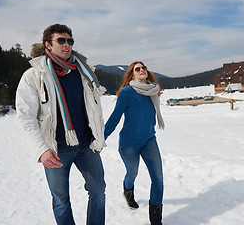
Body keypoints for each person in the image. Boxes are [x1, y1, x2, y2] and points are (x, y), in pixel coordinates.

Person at [16, 24, 107, 225]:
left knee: (98, 191)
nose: (67, 45)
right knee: (61, 201)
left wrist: (98, 138)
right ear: (47, 45)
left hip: (86, 146)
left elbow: (94, 109)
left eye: (70, 41)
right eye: (61, 41)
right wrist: (41, 150)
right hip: (56, 150)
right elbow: (25, 116)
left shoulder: (84, 72)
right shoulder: (34, 75)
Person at [104, 61, 165, 225]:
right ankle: (128, 190)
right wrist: (100, 138)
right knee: (133, 173)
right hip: (129, 144)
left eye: (143, 67)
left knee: (158, 179)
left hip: (149, 141)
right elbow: (115, 117)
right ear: (132, 74)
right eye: (137, 69)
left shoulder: (153, 91)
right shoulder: (127, 92)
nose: (142, 70)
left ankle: (156, 220)